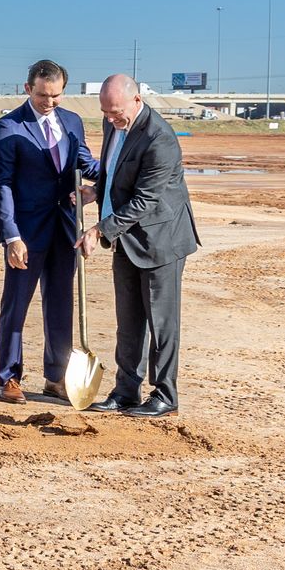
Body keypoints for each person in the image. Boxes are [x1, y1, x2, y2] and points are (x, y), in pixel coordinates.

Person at [83, 74, 200, 417]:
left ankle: (165, 395)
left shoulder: (159, 138)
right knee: (129, 320)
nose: (110, 119)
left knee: (161, 322)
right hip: (127, 238)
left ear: (137, 100)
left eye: (116, 112)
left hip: (161, 241)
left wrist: (100, 230)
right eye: (105, 112)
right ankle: (126, 391)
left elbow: (145, 200)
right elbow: (114, 172)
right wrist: (96, 192)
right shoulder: (114, 124)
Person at [0, 58, 98, 404]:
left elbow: (85, 162)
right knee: (16, 304)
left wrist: (114, 176)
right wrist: (11, 236)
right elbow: (2, 185)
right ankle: (9, 376)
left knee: (61, 304)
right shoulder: (8, 127)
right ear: (28, 88)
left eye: (56, 95)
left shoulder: (72, 121)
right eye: (42, 95)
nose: (49, 102)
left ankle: (57, 377)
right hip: (26, 232)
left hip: (64, 229)